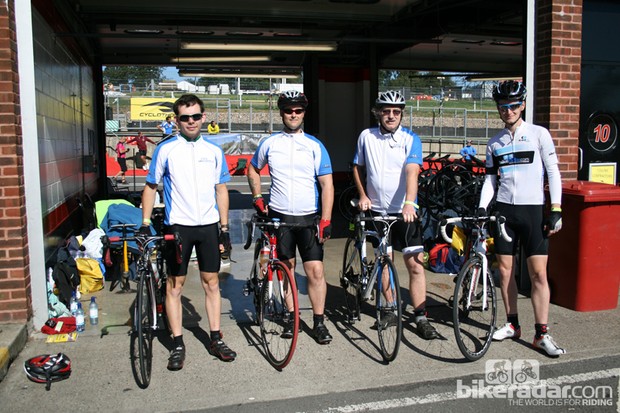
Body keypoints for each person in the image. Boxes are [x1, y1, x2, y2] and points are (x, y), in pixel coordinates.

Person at [140, 94, 236, 371]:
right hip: (178, 226)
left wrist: (225, 228)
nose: (191, 121)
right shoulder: (166, 149)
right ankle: (178, 343)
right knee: (175, 285)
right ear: (176, 120)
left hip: (207, 226)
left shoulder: (214, 152)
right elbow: (151, 186)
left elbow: (221, 190)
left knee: (212, 283)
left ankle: (216, 338)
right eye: (185, 117)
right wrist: (145, 223)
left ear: (203, 118)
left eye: (195, 116)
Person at [478, 80, 565, 357]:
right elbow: (491, 180)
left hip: (532, 210)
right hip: (505, 210)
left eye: (514, 105)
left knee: (538, 274)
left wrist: (556, 208)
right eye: (503, 107)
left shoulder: (539, 134)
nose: (509, 111)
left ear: (523, 105)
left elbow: (553, 172)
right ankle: (512, 324)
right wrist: (483, 208)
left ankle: (541, 334)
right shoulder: (494, 143)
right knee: (505, 271)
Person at [246, 90, 335, 345]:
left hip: (308, 219)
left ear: (304, 113)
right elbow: (252, 168)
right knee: (287, 271)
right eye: (288, 110)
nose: (293, 115)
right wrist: (257, 196)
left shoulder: (315, 145)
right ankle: (291, 316)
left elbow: (327, 185)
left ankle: (318, 322)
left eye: (298, 110)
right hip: (279, 217)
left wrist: (326, 220)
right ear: (281, 113)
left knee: (315, 271)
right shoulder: (270, 143)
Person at [352, 90, 439, 340]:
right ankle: (390, 308)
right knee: (384, 261)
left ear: (401, 114)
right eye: (386, 111)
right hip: (377, 210)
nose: (391, 116)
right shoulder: (366, 136)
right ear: (378, 112)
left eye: (396, 112)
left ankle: (421, 316)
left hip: (405, 213)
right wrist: (363, 195)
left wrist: (410, 203)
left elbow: (412, 172)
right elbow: (357, 166)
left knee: (415, 264)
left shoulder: (411, 138)